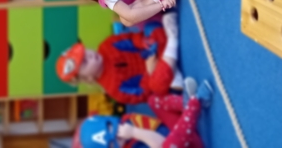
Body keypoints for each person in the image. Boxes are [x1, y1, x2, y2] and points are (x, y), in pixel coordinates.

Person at [56, 12, 182, 102]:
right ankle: (172, 43)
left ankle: (170, 59)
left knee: (151, 28)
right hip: (155, 72)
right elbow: (142, 95)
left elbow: (131, 39)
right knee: (157, 87)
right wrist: (149, 72)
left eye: (85, 52)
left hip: (154, 51)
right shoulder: (113, 89)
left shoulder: (106, 46)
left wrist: (143, 42)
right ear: (87, 78)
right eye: (85, 61)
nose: (90, 55)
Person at [73, 76, 212, 148]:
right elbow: (161, 144)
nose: (117, 137)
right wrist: (134, 132)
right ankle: (196, 102)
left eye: (111, 128)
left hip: (179, 128)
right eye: (111, 145)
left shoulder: (126, 119)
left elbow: (160, 125)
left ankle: (185, 103)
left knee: (153, 101)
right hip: (183, 144)